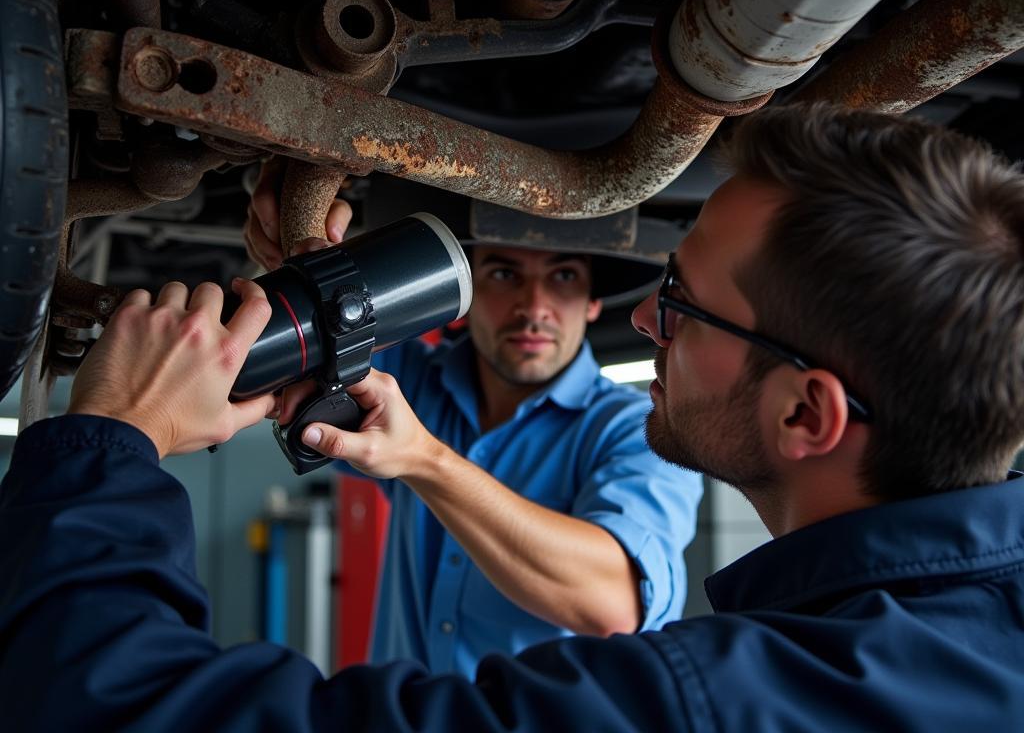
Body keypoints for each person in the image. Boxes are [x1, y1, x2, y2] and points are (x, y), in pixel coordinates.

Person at [3, 102, 1024, 732]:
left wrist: (113, 440)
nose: (641, 320)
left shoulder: (706, 691)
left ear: (807, 411)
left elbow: (105, 704)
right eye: (503, 275)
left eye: (679, 303)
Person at [242, 179, 701, 677]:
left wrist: (426, 460)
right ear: (464, 293)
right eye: (505, 273)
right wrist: (293, 232)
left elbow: (613, 603)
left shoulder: (636, 430)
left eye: (563, 275)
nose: (534, 306)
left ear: (591, 302)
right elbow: (314, 331)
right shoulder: (415, 382)